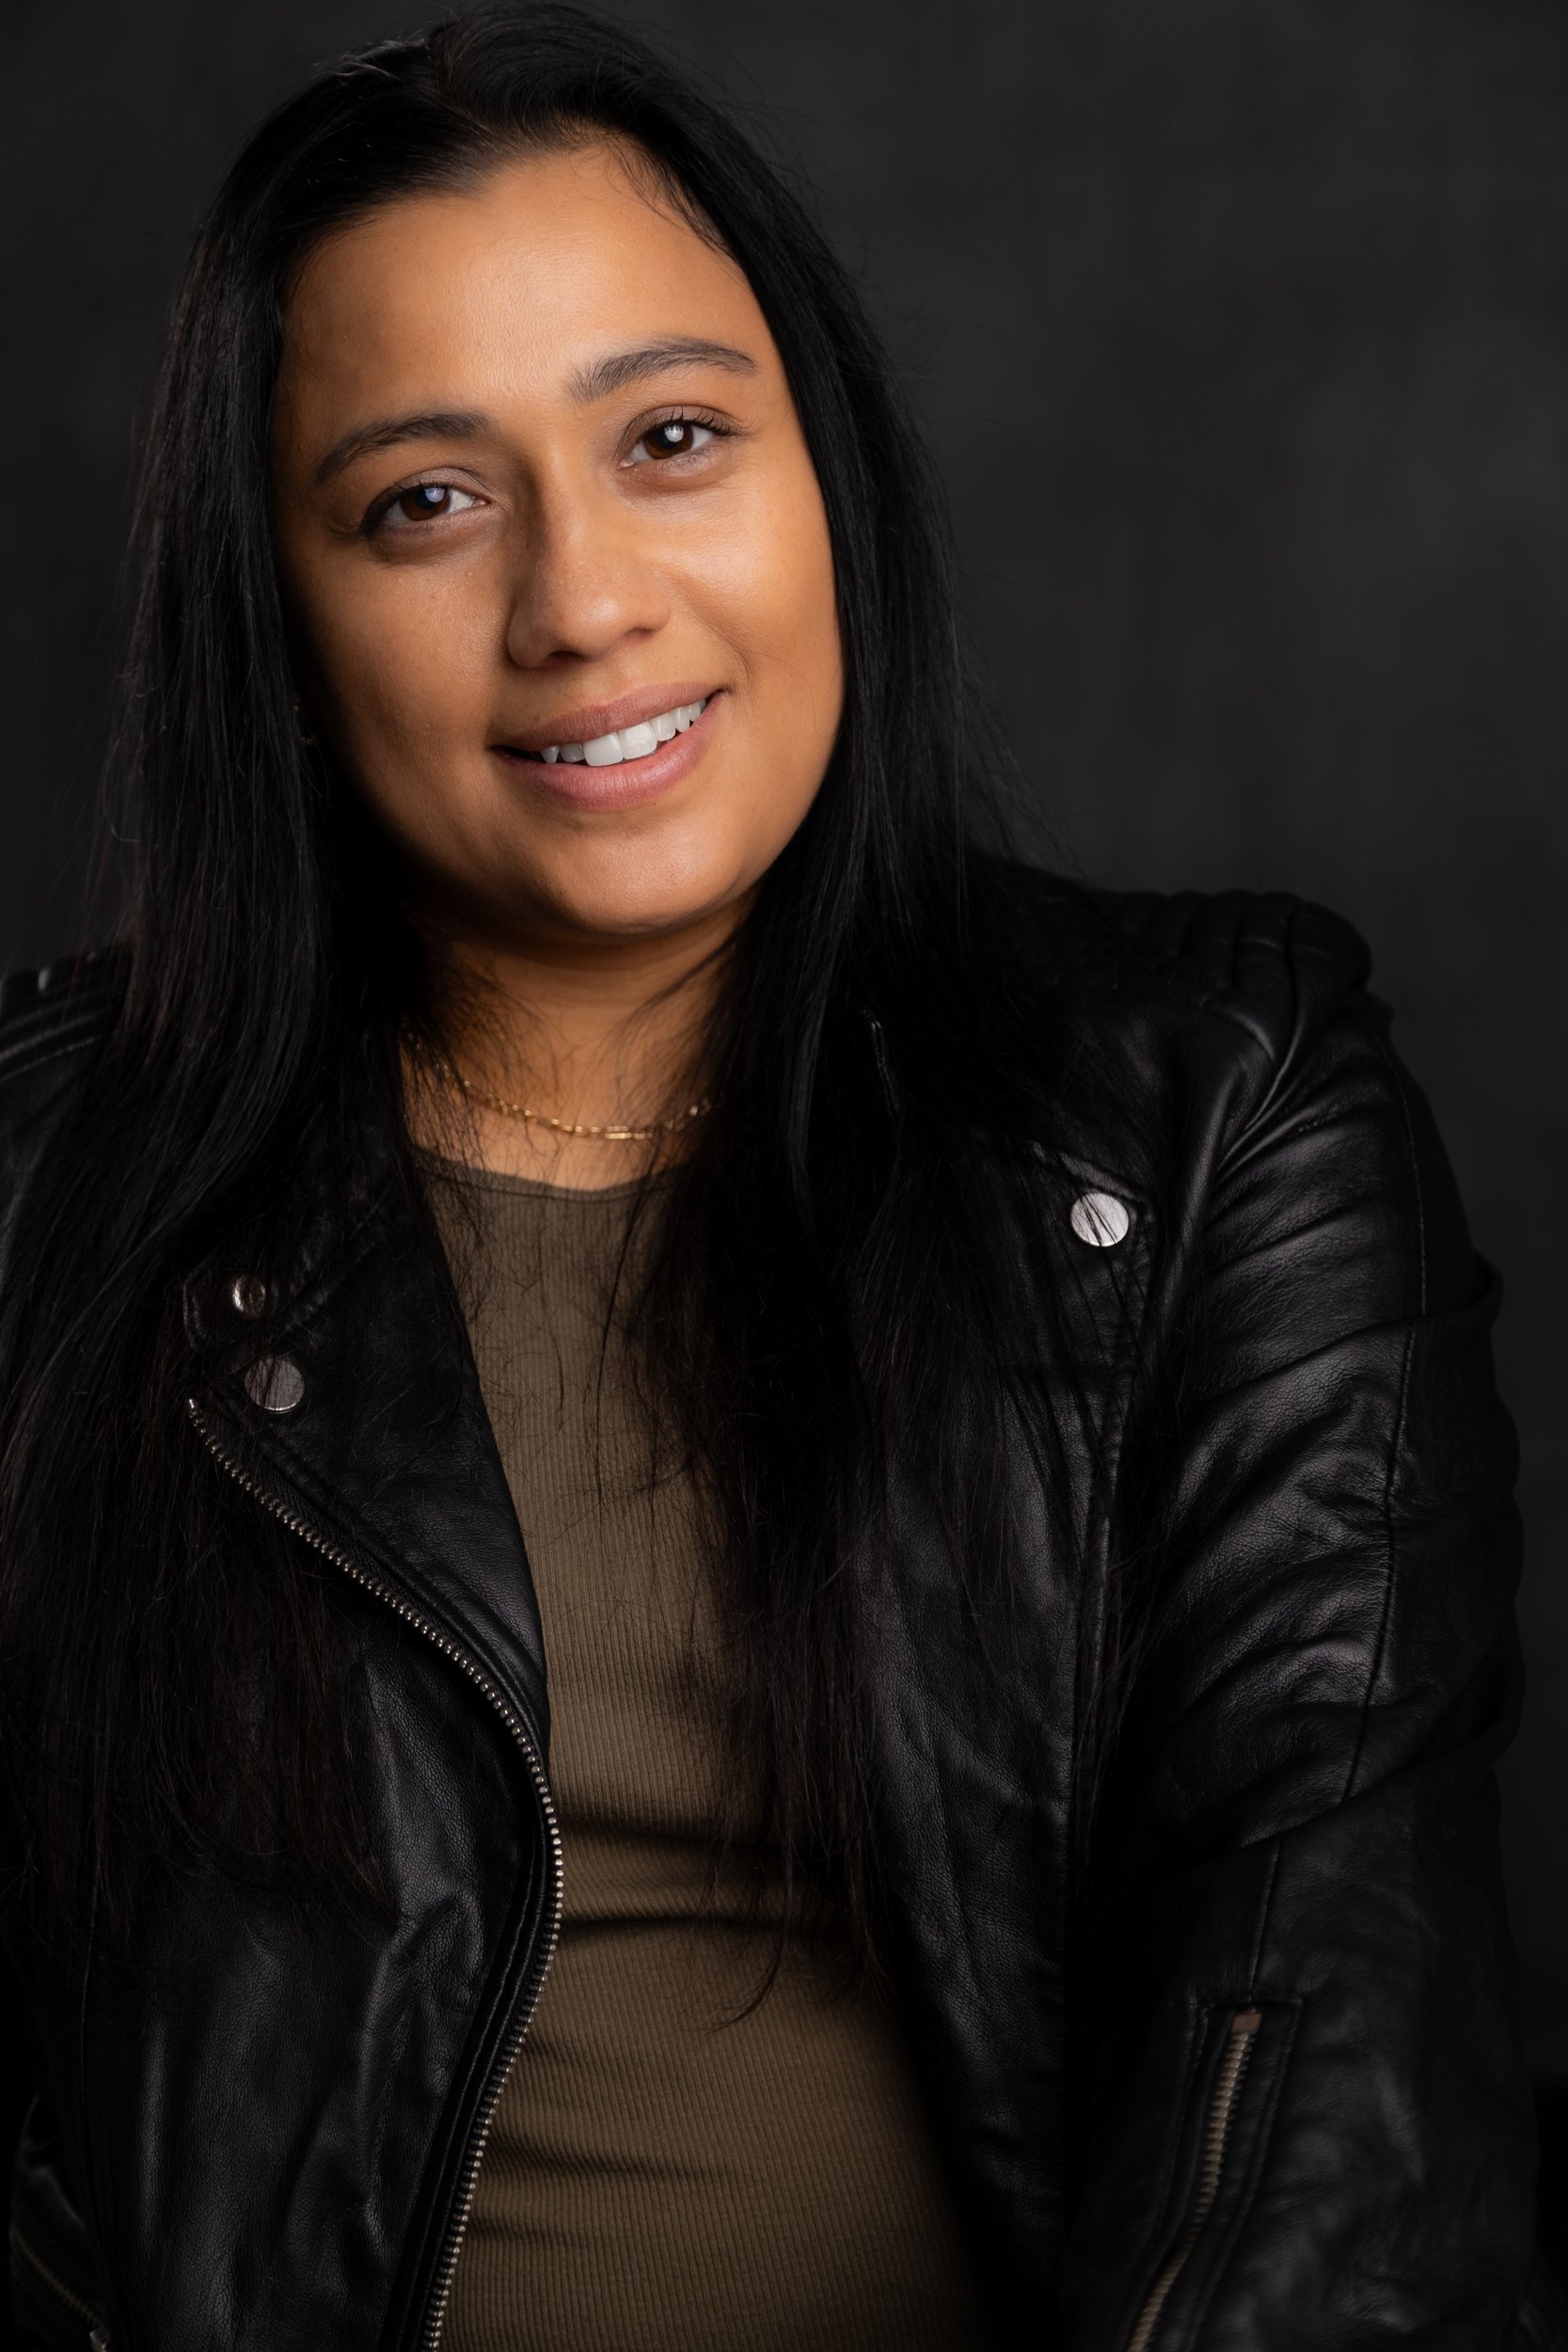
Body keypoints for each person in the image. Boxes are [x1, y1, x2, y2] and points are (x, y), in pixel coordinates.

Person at [0, 7, 1551, 2347]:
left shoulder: (1216, 1111)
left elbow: (1330, 2087)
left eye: (674, 437)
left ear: (823, 474)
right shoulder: (45, 1189)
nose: (583, 597)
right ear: (279, 625)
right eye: (426, 498)